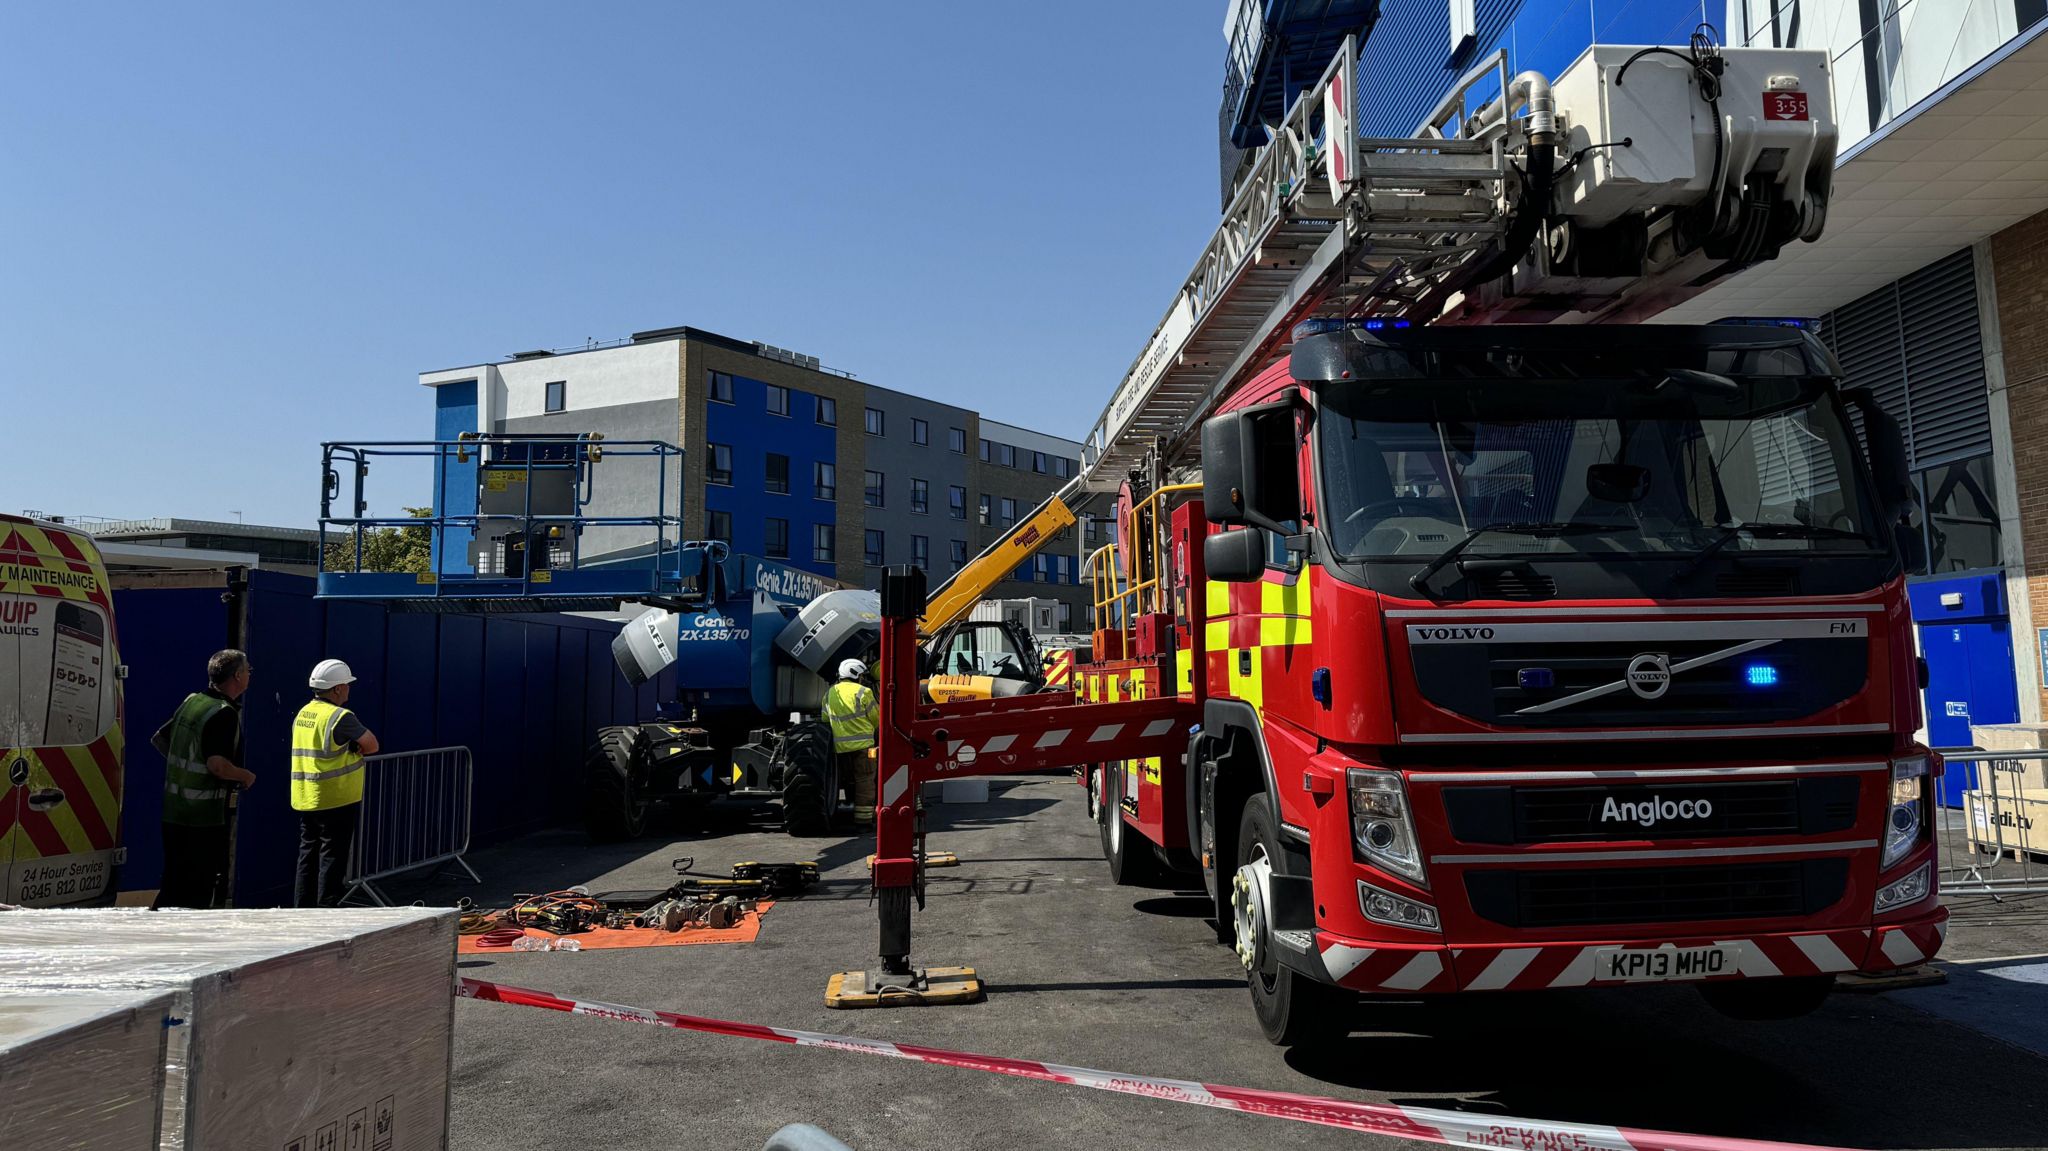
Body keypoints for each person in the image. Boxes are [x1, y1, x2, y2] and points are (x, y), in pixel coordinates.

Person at [151, 649, 257, 909]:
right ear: (238, 676)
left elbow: (160, 739)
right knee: (196, 890)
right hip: (202, 818)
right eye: (249, 670)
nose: (250, 675)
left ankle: (155, 933)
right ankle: (182, 942)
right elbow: (217, 766)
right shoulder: (223, 713)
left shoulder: (193, 701)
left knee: (174, 884)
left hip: (174, 812)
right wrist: (245, 775)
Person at [291, 658, 380, 907]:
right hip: (336, 797)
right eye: (347, 685)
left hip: (307, 795)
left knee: (307, 855)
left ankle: (302, 908)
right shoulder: (340, 716)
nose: (349, 689)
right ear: (337, 688)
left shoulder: (304, 713)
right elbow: (372, 744)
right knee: (333, 856)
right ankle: (326, 909)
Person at [823, 658, 879, 824]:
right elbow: (876, 718)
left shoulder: (829, 693)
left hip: (839, 748)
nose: (863, 678)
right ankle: (863, 820)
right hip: (864, 747)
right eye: (861, 675)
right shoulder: (864, 692)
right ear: (855, 674)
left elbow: (825, 719)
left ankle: (847, 808)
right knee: (865, 781)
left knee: (846, 779)